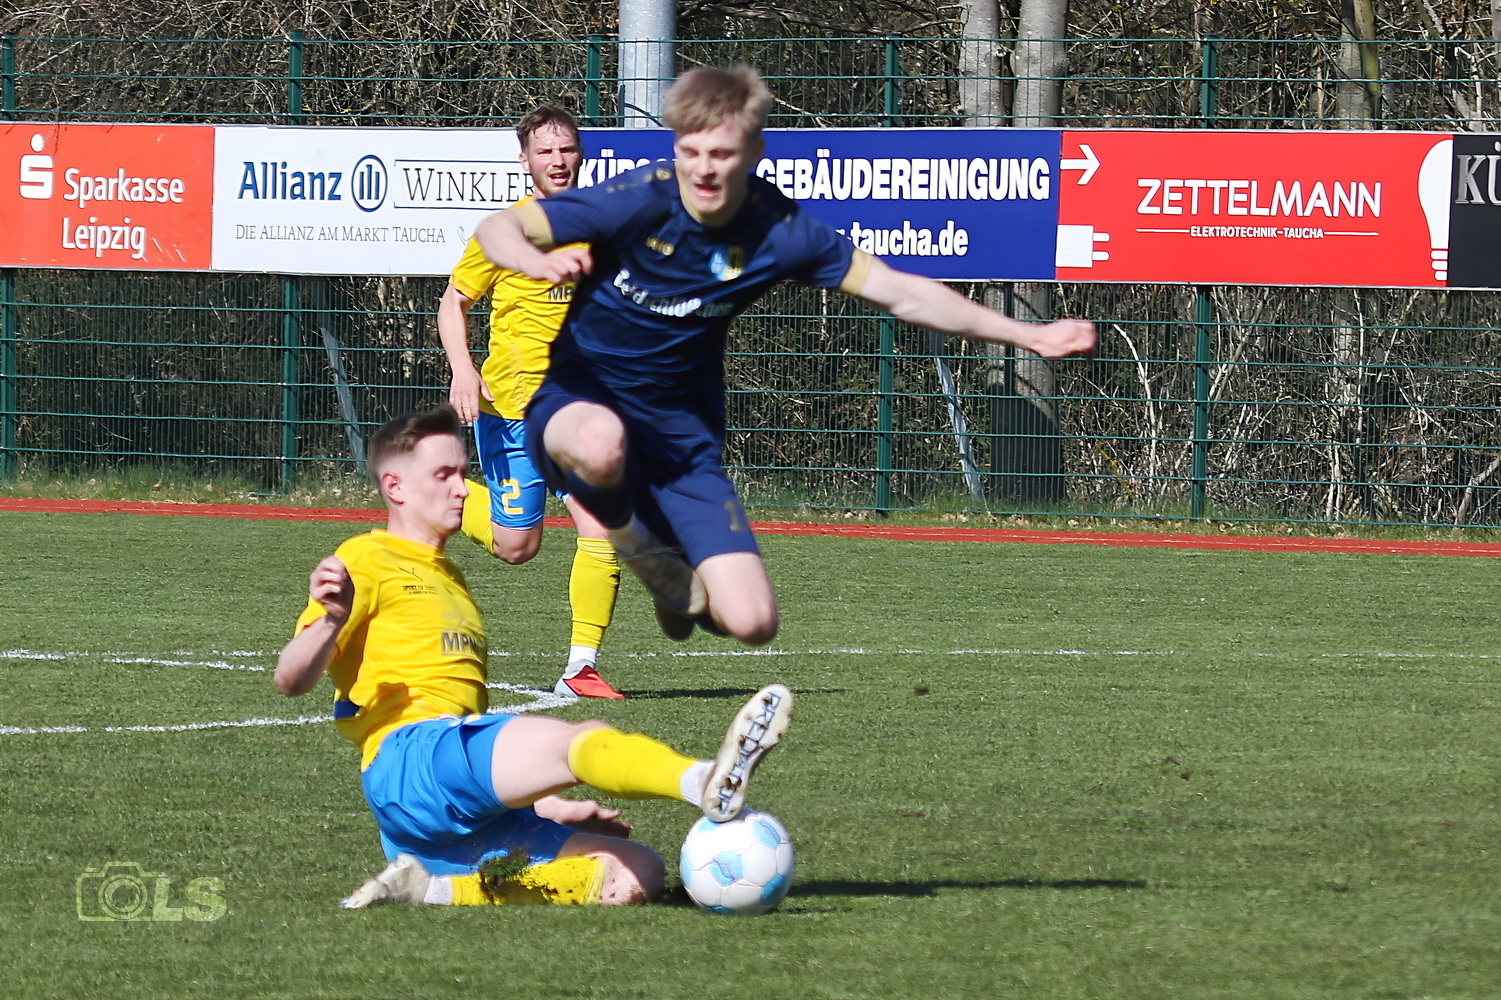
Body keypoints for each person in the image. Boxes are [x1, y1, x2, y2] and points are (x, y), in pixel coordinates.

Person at [474, 65, 1098, 646]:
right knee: (601, 440)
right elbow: (498, 229)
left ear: (754, 152)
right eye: (691, 152)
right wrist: (534, 259)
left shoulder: (779, 231)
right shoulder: (639, 199)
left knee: (753, 623)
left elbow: (903, 292)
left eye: (722, 154)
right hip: (579, 397)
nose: (703, 170)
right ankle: (640, 547)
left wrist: (1028, 336)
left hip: (679, 432)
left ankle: (671, 571)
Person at [274, 406, 793, 907]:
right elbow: (291, 677)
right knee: (578, 740)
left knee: (639, 872)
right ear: (395, 487)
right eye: (444, 475)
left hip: (444, 793)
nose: (463, 488)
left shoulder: (448, 577)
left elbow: (472, 745)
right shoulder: (365, 557)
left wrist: (545, 804)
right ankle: (703, 779)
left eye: (463, 472)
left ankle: (429, 888)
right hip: (410, 761)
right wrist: (332, 621)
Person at [437, 105, 624, 700]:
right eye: (545, 151)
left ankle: (581, 668)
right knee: (517, 547)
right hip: (511, 413)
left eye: (566, 149)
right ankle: (442, 496)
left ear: (581, 154)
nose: (557, 160)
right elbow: (453, 303)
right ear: (525, 161)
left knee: (602, 522)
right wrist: (463, 370)